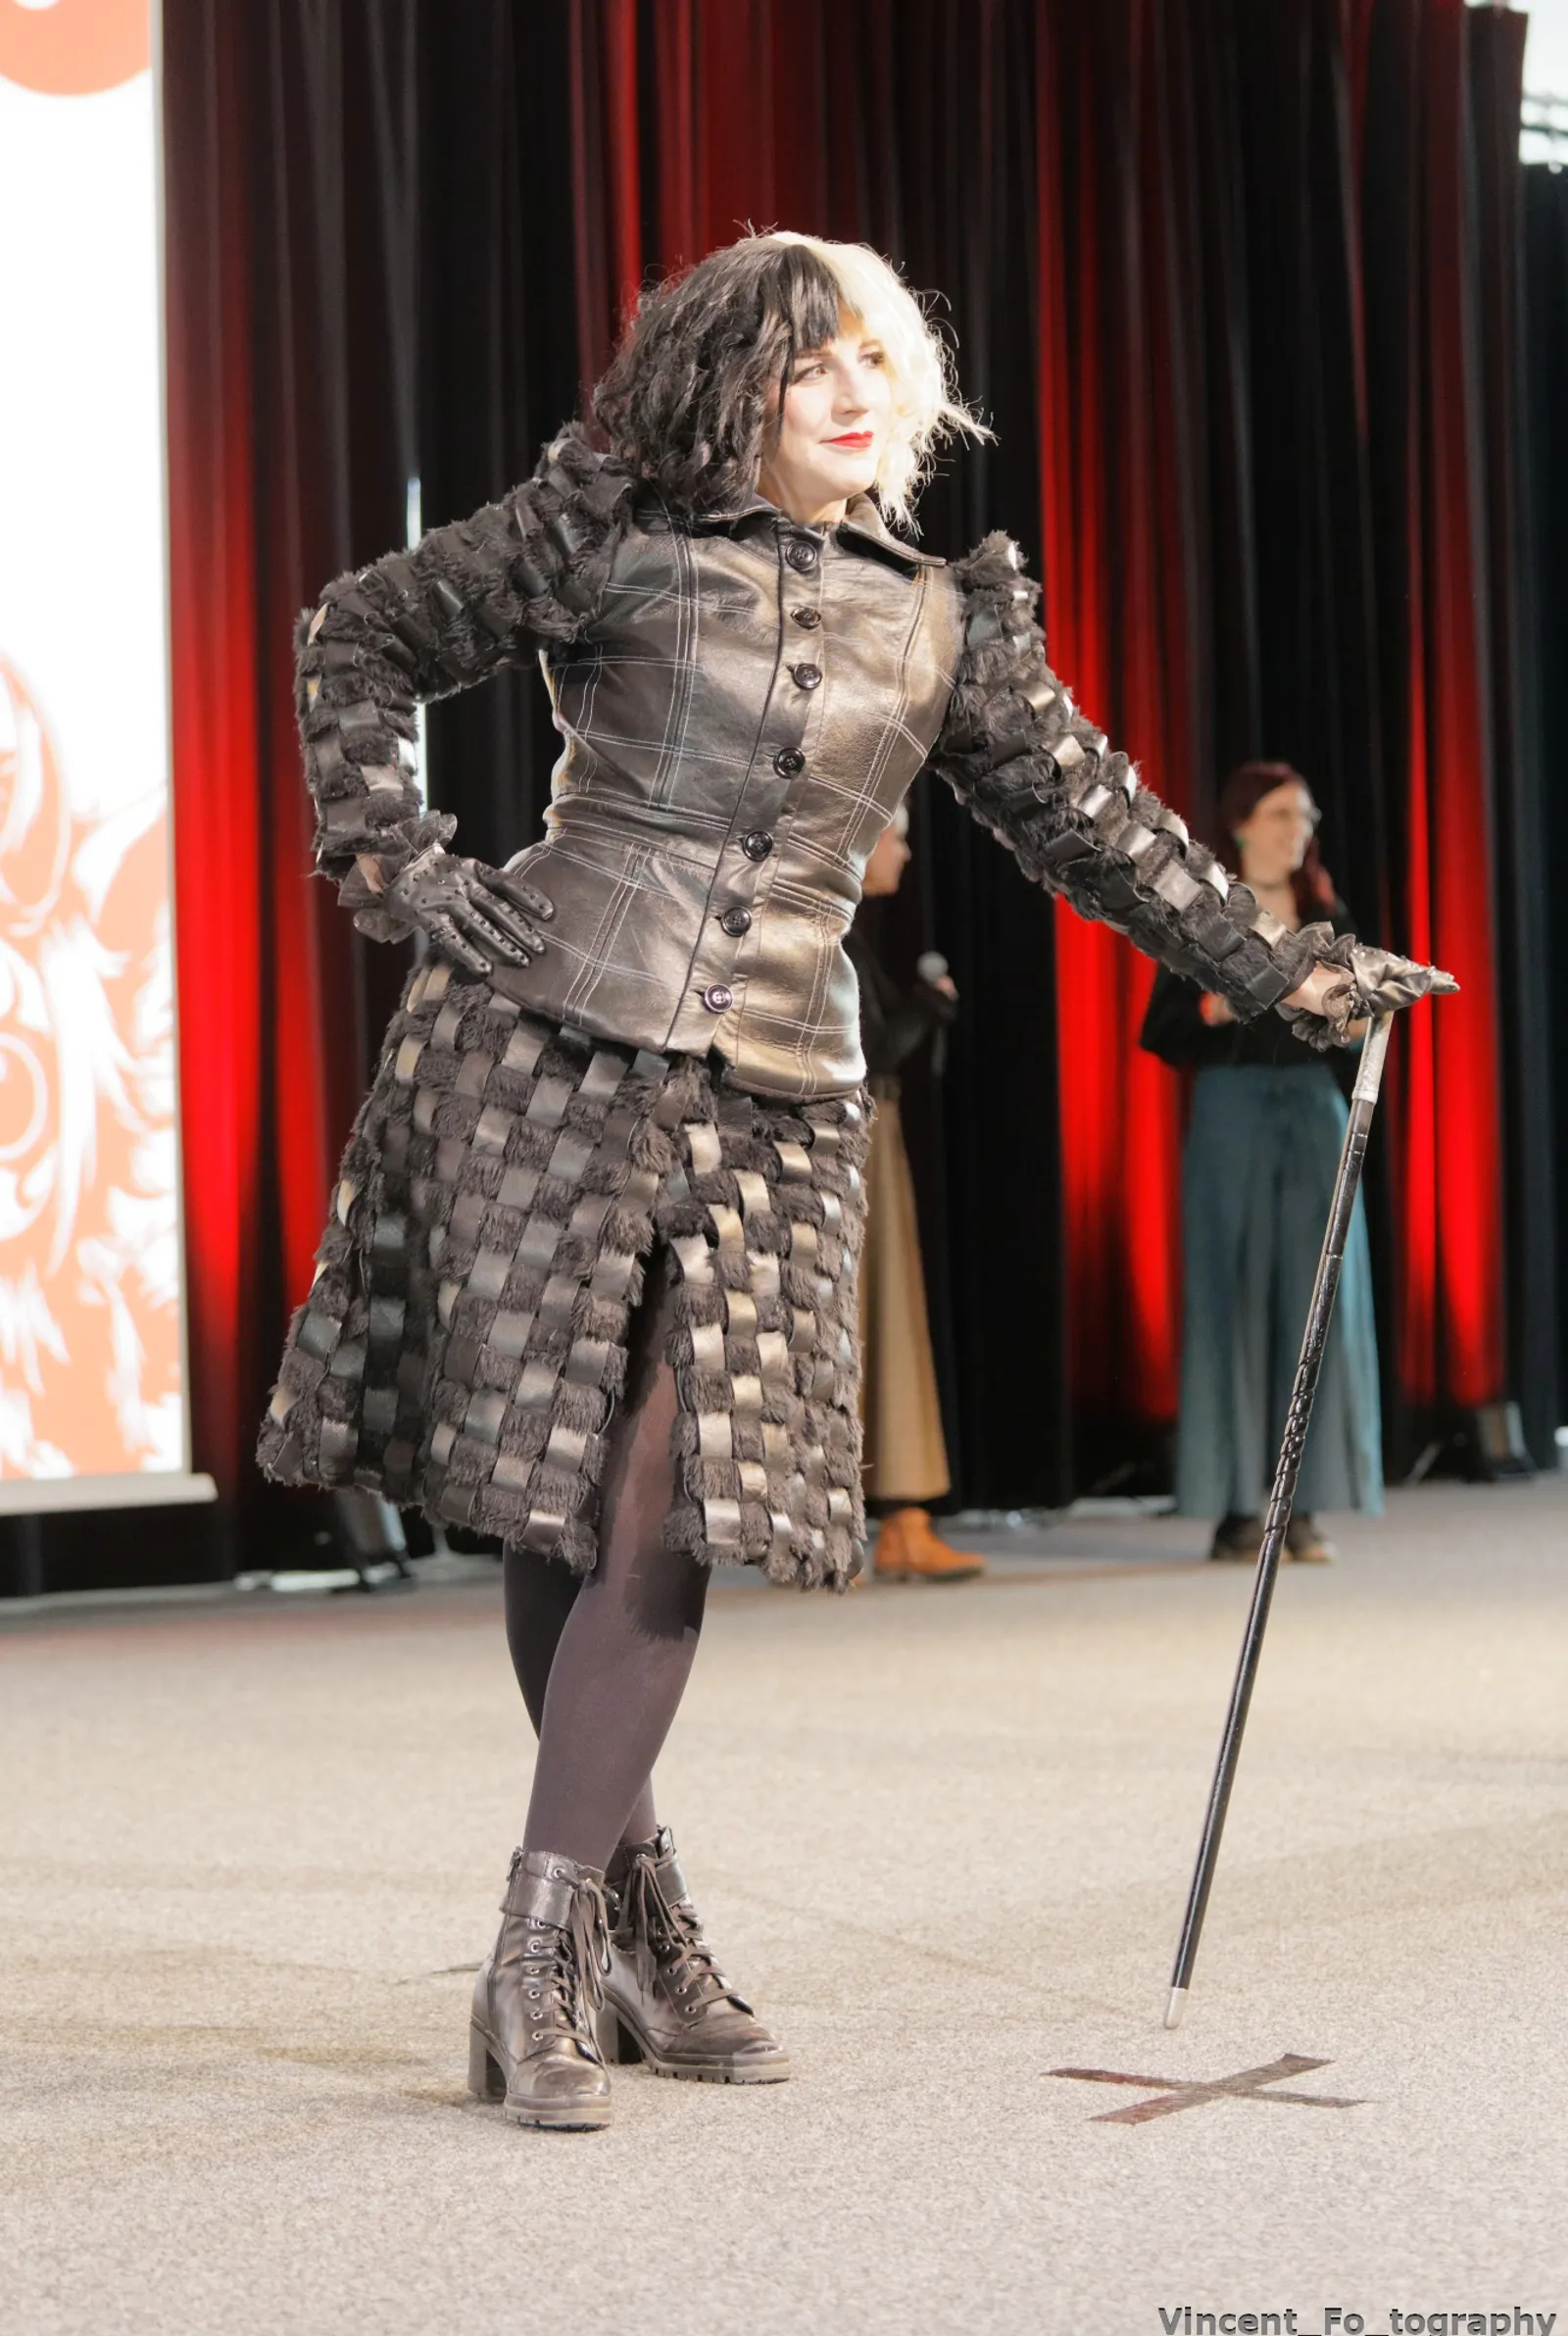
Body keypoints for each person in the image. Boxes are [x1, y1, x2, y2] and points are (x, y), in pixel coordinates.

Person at [258, 231, 1446, 2134]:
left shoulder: (942, 617)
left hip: (782, 1094)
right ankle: (608, 1933)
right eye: (809, 356)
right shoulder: (609, 531)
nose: (851, 387)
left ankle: (543, 1945)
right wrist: (395, 857)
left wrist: (1282, 967)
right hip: (541, 1049)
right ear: (724, 378)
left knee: (665, 1503)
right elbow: (360, 630)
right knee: (561, 1501)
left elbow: (1095, 822)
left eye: (877, 359)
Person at [1140, 762, 1384, 1563]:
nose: (1296, 831)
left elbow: (1359, 1022)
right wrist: (1222, 1003)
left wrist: (1357, 1014)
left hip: (1313, 1113)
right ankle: (1238, 1505)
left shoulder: (1327, 916)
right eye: (1281, 815)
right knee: (1232, 1301)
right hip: (1233, 1113)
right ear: (1242, 824)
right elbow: (1163, 1028)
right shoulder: (1208, 914)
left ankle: (1304, 1504)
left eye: (1304, 817)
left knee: (1315, 1302)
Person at [849, 809, 985, 1580]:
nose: (904, 851)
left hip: (874, 1137)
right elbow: (864, 1051)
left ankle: (904, 1521)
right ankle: (847, 1524)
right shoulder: (823, 933)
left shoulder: (851, 935)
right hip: (842, 1145)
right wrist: (927, 1005)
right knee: (855, 1321)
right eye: (895, 836)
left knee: (889, 1322)